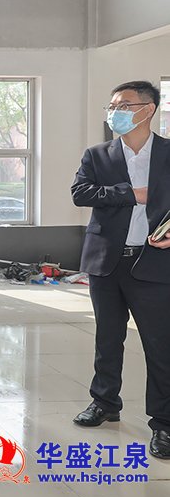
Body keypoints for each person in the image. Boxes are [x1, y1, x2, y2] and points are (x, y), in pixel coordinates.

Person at [71, 80, 170, 459]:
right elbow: (80, 192)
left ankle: (164, 422)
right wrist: (132, 194)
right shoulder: (98, 155)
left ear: (148, 109)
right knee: (108, 338)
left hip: (155, 263)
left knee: (160, 344)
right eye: (112, 106)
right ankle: (105, 402)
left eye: (124, 105)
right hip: (107, 262)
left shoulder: (168, 153)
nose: (116, 112)